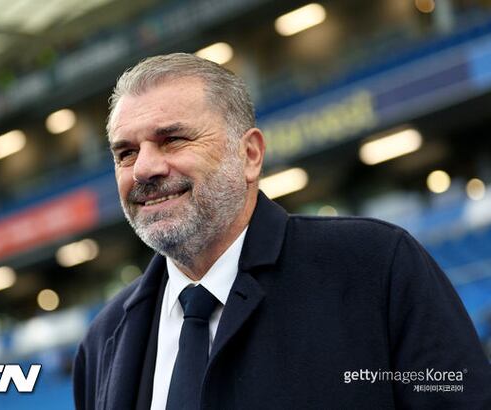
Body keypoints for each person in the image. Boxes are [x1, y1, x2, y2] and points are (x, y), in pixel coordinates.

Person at [73, 53, 491, 410]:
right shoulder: (103, 342)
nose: (144, 169)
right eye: (126, 153)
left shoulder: (376, 268)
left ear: (250, 154)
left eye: (173, 139)